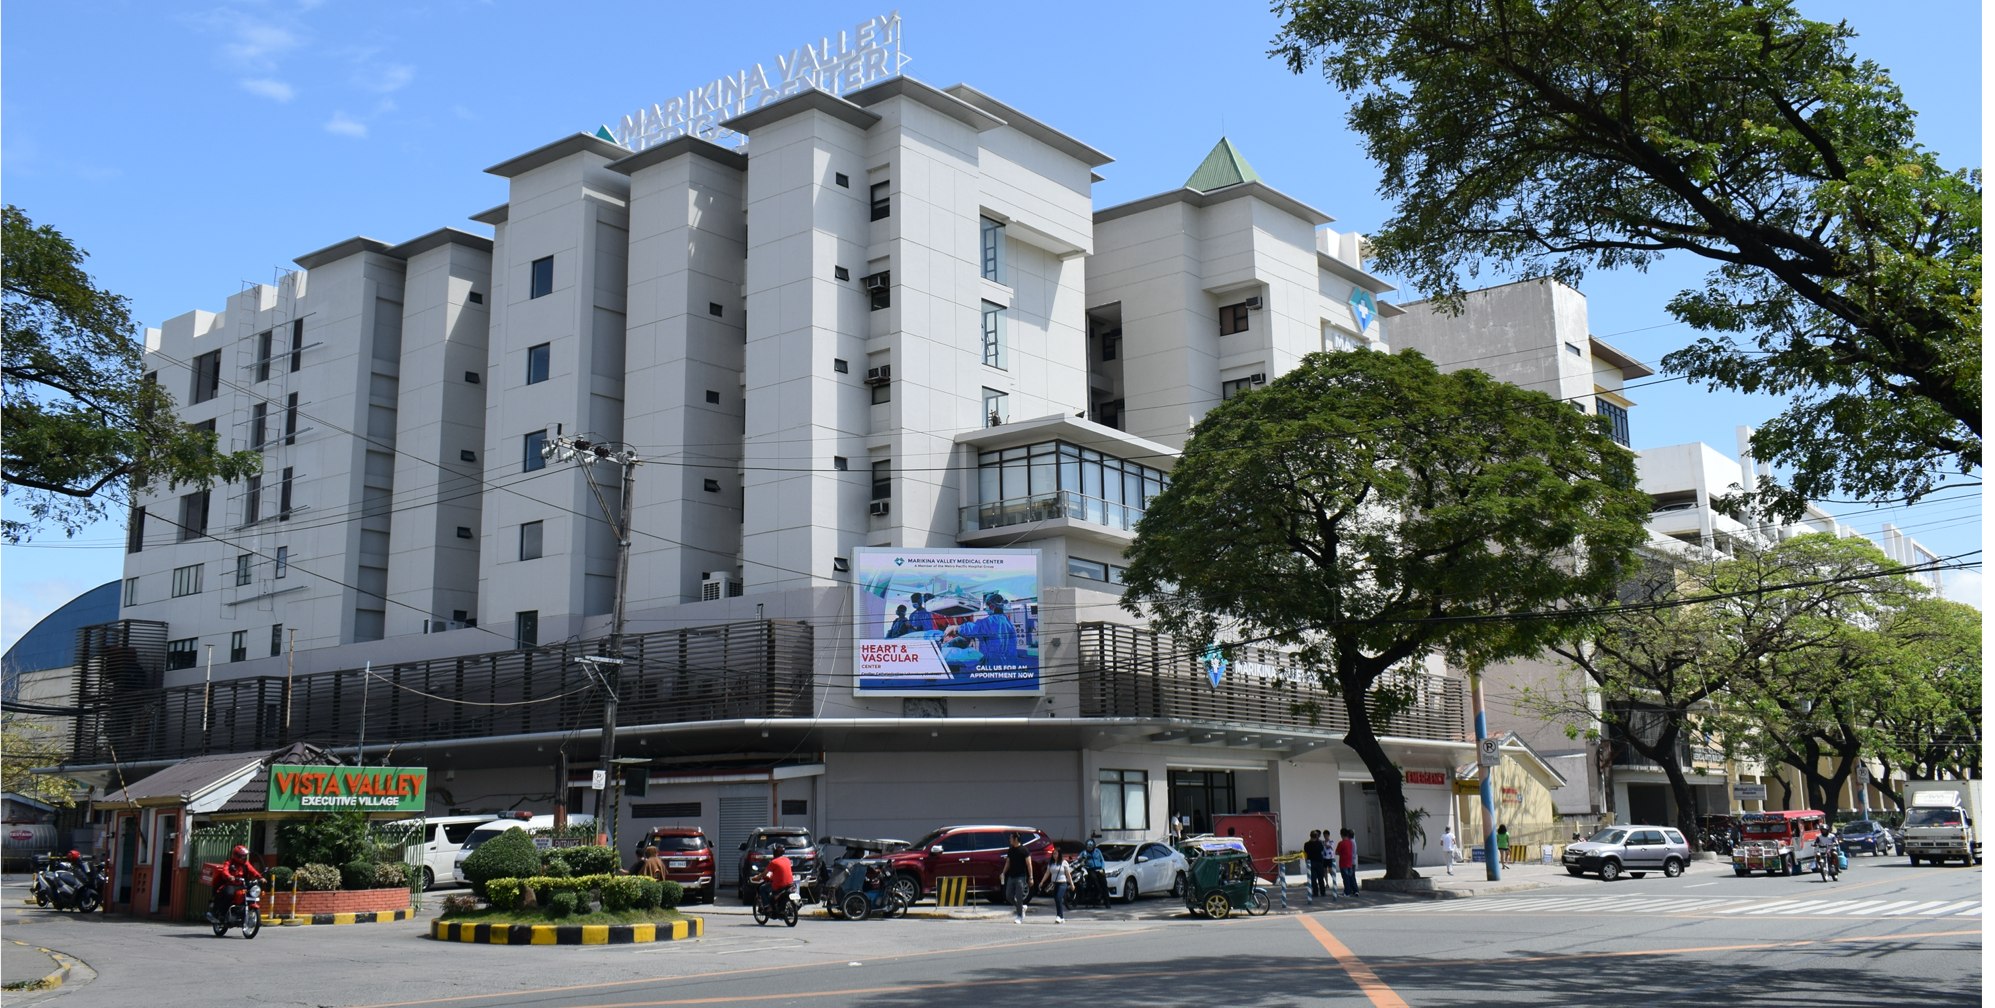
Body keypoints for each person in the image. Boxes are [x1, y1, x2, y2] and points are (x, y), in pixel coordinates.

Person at [207, 844, 263, 923]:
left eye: (245, 856)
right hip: (231, 885)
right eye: (242, 856)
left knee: (250, 893)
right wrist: (229, 876)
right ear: (237, 856)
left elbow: (252, 870)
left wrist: (260, 877)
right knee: (229, 894)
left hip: (242, 885)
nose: (244, 858)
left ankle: (241, 912)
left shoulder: (246, 863)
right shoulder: (229, 863)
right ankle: (222, 915)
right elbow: (224, 871)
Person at [1003, 833, 1036, 923]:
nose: (1009, 840)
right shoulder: (1011, 850)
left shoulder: (1024, 850)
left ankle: (1019, 916)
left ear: (1016, 839)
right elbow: (1008, 862)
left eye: (1011, 838)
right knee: (1008, 896)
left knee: (1019, 897)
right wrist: (1003, 873)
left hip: (1020, 877)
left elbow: (1029, 864)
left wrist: (1031, 877)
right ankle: (1021, 907)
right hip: (1011, 876)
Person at [754, 843, 795, 914]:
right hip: (789, 883)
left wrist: (757, 877)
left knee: (762, 888)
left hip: (778, 885)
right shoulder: (787, 860)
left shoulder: (774, 862)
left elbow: (764, 873)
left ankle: (768, 907)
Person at [1046, 854, 1072, 923]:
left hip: (1062, 883)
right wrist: (1042, 882)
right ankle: (1061, 917)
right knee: (1057, 900)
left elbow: (1068, 874)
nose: (1054, 855)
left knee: (1058, 898)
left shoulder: (1064, 863)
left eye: (1056, 854)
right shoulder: (1051, 863)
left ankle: (1058, 916)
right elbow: (1047, 873)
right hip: (1054, 884)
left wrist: (1072, 884)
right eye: (1053, 854)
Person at [1303, 830, 1327, 897]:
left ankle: (1315, 892)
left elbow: (1306, 854)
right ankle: (1323, 892)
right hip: (1319, 862)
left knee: (1313, 878)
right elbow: (1322, 851)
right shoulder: (1319, 844)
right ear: (1316, 837)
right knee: (1320, 878)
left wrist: (1306, 862)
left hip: (1311, 862)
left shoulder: (1307, 844)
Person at [1335, 828, 1359, 897]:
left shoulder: (1341, 843)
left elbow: (1337, 852)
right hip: (1350, 862)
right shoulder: (1351, 842)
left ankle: (1347, 892)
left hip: (1343, 862)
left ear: (1341, 835)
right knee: (1350, 877)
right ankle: (1355, 890)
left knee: (1345, 878)